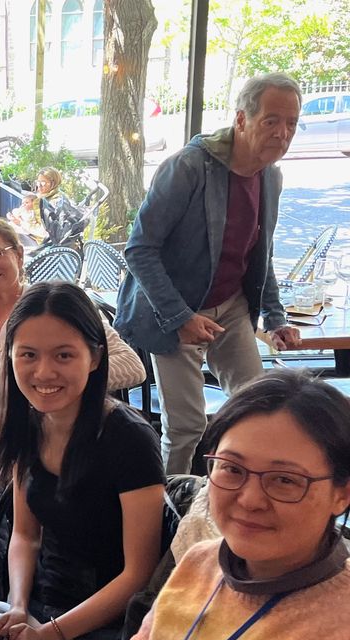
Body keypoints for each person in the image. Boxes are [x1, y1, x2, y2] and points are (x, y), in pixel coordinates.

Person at [69, 370, 350, 640]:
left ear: (342, 494)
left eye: (285, 480)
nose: (250, 499)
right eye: (232, 469)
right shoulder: (201, 561)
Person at [114, 72, 304, 474]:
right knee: (186, 426)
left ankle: (238, 490)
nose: (282, 133)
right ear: (241, 120)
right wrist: (180, 317)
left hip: (231, 307)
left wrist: (275, 316)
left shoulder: (271, 175)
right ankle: (166, 512)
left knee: (258, 407)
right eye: (271, 120)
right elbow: (139, 249)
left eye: (291, 123)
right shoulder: (188, 167)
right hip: (174, 307)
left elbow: (260, 253)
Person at [0, 282, 165, 640]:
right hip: (41, 606)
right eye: (28, 355)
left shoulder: (129, 439)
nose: (44, 372)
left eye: (64, 355)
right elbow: (24, 534)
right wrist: (16, 606)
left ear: (95, 358)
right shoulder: (30, 423)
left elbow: (138, 574)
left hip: (105, 630)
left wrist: (50, 635)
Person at [0, 218, 145, 492]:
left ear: (18, 254)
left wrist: (55, 379)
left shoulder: (54, 308)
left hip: (36, 443)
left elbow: (133, 367)